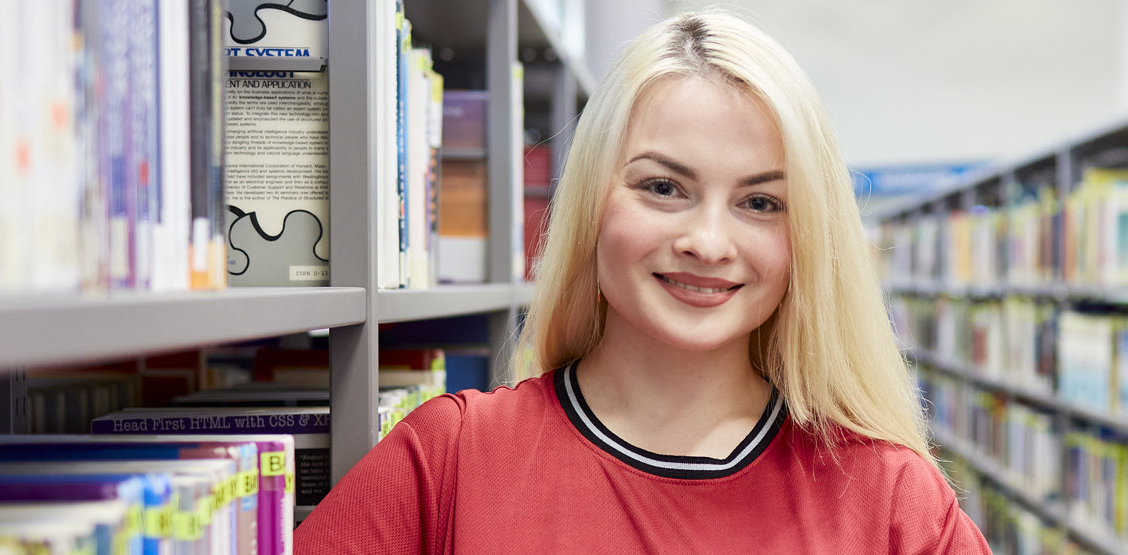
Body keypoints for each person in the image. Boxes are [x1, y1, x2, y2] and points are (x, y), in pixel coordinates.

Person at [296, 11, 993, 554]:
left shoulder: (892, 499)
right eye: (663, 186)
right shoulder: (447, 460)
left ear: (806, 237)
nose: (707, 241)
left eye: (760, 202)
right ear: (593, 201)